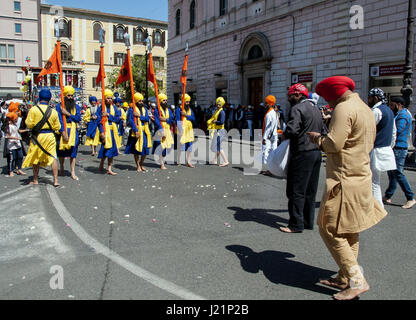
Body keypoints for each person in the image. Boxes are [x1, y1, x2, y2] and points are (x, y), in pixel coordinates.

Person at [308, 76, 387, 300]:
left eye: (328, 98)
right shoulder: (364, 108)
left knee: (328, 227)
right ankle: (345, 276)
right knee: (349, 230)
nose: (328, 104)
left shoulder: (343, 108)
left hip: (343, 180)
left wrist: (317, 138)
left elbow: (333, 144)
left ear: (333, 94)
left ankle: (356, 279)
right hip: (360, 176)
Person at [280, 83, 327, 234]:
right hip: (316, 153)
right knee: (310, 190)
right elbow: (324, 131)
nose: (289, 98)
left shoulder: (297, 108)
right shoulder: (316, 109)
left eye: (291, 95)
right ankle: (307, 221)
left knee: (296, 190)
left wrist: (283, 135)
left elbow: (292, 130)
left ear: (299, 95)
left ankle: (295, 224)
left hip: (301, 153)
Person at [22, 89, 61, 187]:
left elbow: (29, 124)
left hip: (38, 136)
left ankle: (35, 179)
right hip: (50, 136)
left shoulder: (33, 109)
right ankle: (56, 180)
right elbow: (58, 127)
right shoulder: (53, 111)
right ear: (49, 99)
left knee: (36, 157)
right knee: (53, 157)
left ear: (39, 98)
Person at [383, 96, 416, 209]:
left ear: (399, 105)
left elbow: (398, 129)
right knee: (392, 173)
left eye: (392, 105)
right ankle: (388, 195)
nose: (390, 107)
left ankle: (410, 197)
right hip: (397, 147)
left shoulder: (402, 115)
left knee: (398, 173)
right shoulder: (403, 114)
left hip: (399, 148)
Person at [367, 88, 396, 207]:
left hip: (376, 150)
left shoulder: (376, 111)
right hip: (385, 149)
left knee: (373, 181)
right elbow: (394, 132)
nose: (368, 100)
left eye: (369, 98)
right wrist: (389, 146)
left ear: (375, 98)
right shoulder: (389, 110)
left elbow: (368, 131)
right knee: (375, 180)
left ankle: (377, 206)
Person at [56, 85, 82, 181]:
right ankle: (62, 167)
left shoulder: (77, 107)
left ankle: (72, 172)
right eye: (68, 96)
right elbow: (59, 120)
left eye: (72, 96)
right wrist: (63, 133)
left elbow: (78, 118)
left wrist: (68, 114)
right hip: (63, 131)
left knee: (73, 153)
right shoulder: (59, 107)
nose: (70, 98)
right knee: (61, 152)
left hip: (73, 131)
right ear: (64, 96)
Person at [125, 93, 152, 173]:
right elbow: (131, 121)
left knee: (145, 149)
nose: (141, 102)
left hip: (145, 131)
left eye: (142, 101)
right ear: (136, 101)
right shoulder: (131, 109)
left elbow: (147, 119)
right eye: (139, 101)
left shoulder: (145, 109)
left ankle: (141, 164)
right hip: (136, 131)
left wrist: (139, 116)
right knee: (136, 150)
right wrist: (136, 130)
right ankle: (137, 165)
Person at [97, 89, 121, 175]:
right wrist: (102, 132)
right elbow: (99, 121)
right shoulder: (101, 108)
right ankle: (101, 164)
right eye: (108, 98)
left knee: (112, 151)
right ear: (104, 99)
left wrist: (108, 115)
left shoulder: (114, 108)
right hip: (105, 131)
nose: (110, 100)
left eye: (111, 98)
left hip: (112, 131)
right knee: (104, 149)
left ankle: (109, 168)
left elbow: (117, 120)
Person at [152, 94, 174, 170]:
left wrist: (165, 120)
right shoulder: (157, 110)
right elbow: (157, 121)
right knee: (161, 147)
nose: (165, 102)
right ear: (160, 101)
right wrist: (161, 131)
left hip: (167, 130)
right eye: (164, 100)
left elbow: (171, 119)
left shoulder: (169, 110)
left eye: (166, 100)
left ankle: (161, 160)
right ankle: (162, 164)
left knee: (167, 147)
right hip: (160, 131)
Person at [207, 97, 229, 167]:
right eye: (217, 104)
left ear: (222, 104)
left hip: (220, 131)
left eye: (219, 104)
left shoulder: (222, 112)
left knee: (218, 146)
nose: (218, 105)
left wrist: (215, 121)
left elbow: (222, 122)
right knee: (217, 146)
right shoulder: (218, 110)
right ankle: (215, 160)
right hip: (218, 130)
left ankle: (226, 161)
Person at [176, 93, 195, 168]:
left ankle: (188, 161)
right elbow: (178, 120)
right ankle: (178, 160)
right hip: (182, 130)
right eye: (186, 102)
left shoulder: (190, 110)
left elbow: (193, 118)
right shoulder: (178, 109)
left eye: (188, 102)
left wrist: (186, 115)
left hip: (189, 130)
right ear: (183, 102)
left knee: (190, 146)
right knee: (181, 146)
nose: (188, 103)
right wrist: (180, 130)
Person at [261, 95, 279, 175]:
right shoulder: (275, 113)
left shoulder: (269, 114)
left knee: (267, 153)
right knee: (273, 152)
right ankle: (273, 169)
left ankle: (270, 169)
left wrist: (264, 138)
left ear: (269, 104)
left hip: (269, 137)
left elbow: (268, 128)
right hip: (274, 136)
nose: (265, 104)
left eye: (266, 103)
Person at [5, 112, 25, 176]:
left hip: (17, 144)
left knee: (20, 156)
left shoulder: (14, 125)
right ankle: (11, 171)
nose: (17, 119)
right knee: (12, 158)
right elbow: (8, 136)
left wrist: (26, 130)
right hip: (11, 145)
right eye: (16, 118)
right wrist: (16, 138)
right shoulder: (8, 126)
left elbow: (18, 131)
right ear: (13, 119)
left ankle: (19, 169)